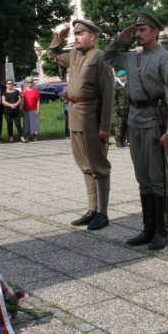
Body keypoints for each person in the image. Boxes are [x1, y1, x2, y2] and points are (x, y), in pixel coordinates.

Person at [104, 12, 168, 249]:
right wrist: (119, 39)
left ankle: (161, 231)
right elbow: (107, 58)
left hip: (154, 122)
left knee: (158, 180)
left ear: (156, 31)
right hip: (135, 122)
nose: (138, 34)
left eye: (143, 30)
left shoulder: (164, 58)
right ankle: (147, 229)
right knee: (143, 179)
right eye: (136, 30)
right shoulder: (131, 58)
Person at [49, 19, 114, 231]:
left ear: (92, 36)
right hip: (75, 115)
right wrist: (58, 39)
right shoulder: (75, 55)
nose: (75, 37)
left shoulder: (100, 57)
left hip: (91, 118)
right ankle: (92, 209)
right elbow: (52, 55)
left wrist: (105, 126)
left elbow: (108, 95)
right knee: (85, 166)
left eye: (80, 34)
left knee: (98, 166)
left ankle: (102, 213)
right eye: (74, 34)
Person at [21, 77, 41, 141]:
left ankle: (35, 136)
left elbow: (38, 100)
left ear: (33, 83)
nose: (30, 83)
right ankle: (26, 136)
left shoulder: (36, 90)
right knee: (26, 123)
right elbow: (21, 101)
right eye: (28, 82)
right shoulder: (23, 90)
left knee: (34, 123)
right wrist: (21, 109)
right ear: (26, 83)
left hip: (34, 109)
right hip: (26, 110)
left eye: (31, 82)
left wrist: (38, 109)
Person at [113, 70, 130, 147]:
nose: (126, 77)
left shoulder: (126, 84)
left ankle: (123, 140)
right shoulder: (115, 85)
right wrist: (117, 108)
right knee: (119, 125)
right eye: (124, 76)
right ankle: (118, 141)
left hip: (127, 109)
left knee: (125, 125)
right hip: (119, 109)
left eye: (125, 76)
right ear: (120, 77)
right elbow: (113, 98)